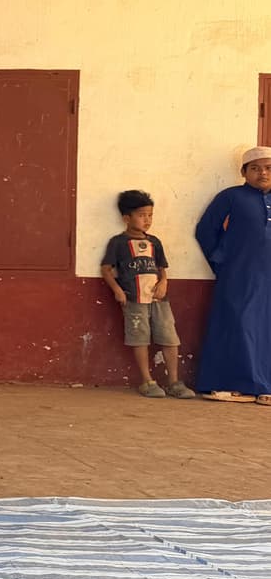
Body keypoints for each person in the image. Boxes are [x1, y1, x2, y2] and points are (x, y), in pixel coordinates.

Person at [194, 146, 271, 403]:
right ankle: (236, 384)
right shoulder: (231, 196)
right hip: (239, 273)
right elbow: (206, 230)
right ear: (244, 172)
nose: (263, 173)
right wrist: (221, 261)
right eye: (255, 168)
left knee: (265, 328)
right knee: (239, 323)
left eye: (269, 168)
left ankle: (264, 386)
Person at [101, 190, 194, 399]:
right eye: (142, 215)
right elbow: (106, 269)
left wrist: (164, 282)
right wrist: (117, 290)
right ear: (127, 218)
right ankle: (147, 381)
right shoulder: (118, 243)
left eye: (150, 215)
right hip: (133, 300)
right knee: (139, 338)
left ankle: (173, 382)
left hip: (159, 300)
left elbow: (162, 267)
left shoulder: (155, 242)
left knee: (170, 337)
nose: (147, 220)